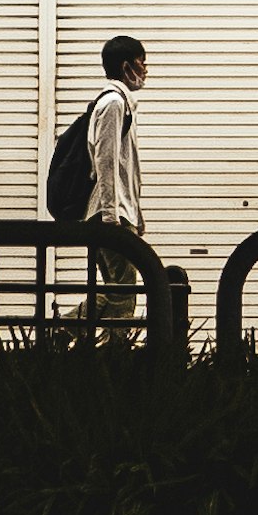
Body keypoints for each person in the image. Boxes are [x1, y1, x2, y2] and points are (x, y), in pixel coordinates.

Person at [83, 33, 168, 345]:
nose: (145, 70)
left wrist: (137, 214)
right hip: (110, 215)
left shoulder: (121, 104)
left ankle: (58, 331)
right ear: (126, 65)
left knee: (115, 291)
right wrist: (110, 216)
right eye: (141, 63)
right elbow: (105, 160)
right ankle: (114, 361)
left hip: (119, 212)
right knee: (125, 295)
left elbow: (126, 168)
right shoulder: (113, 103)